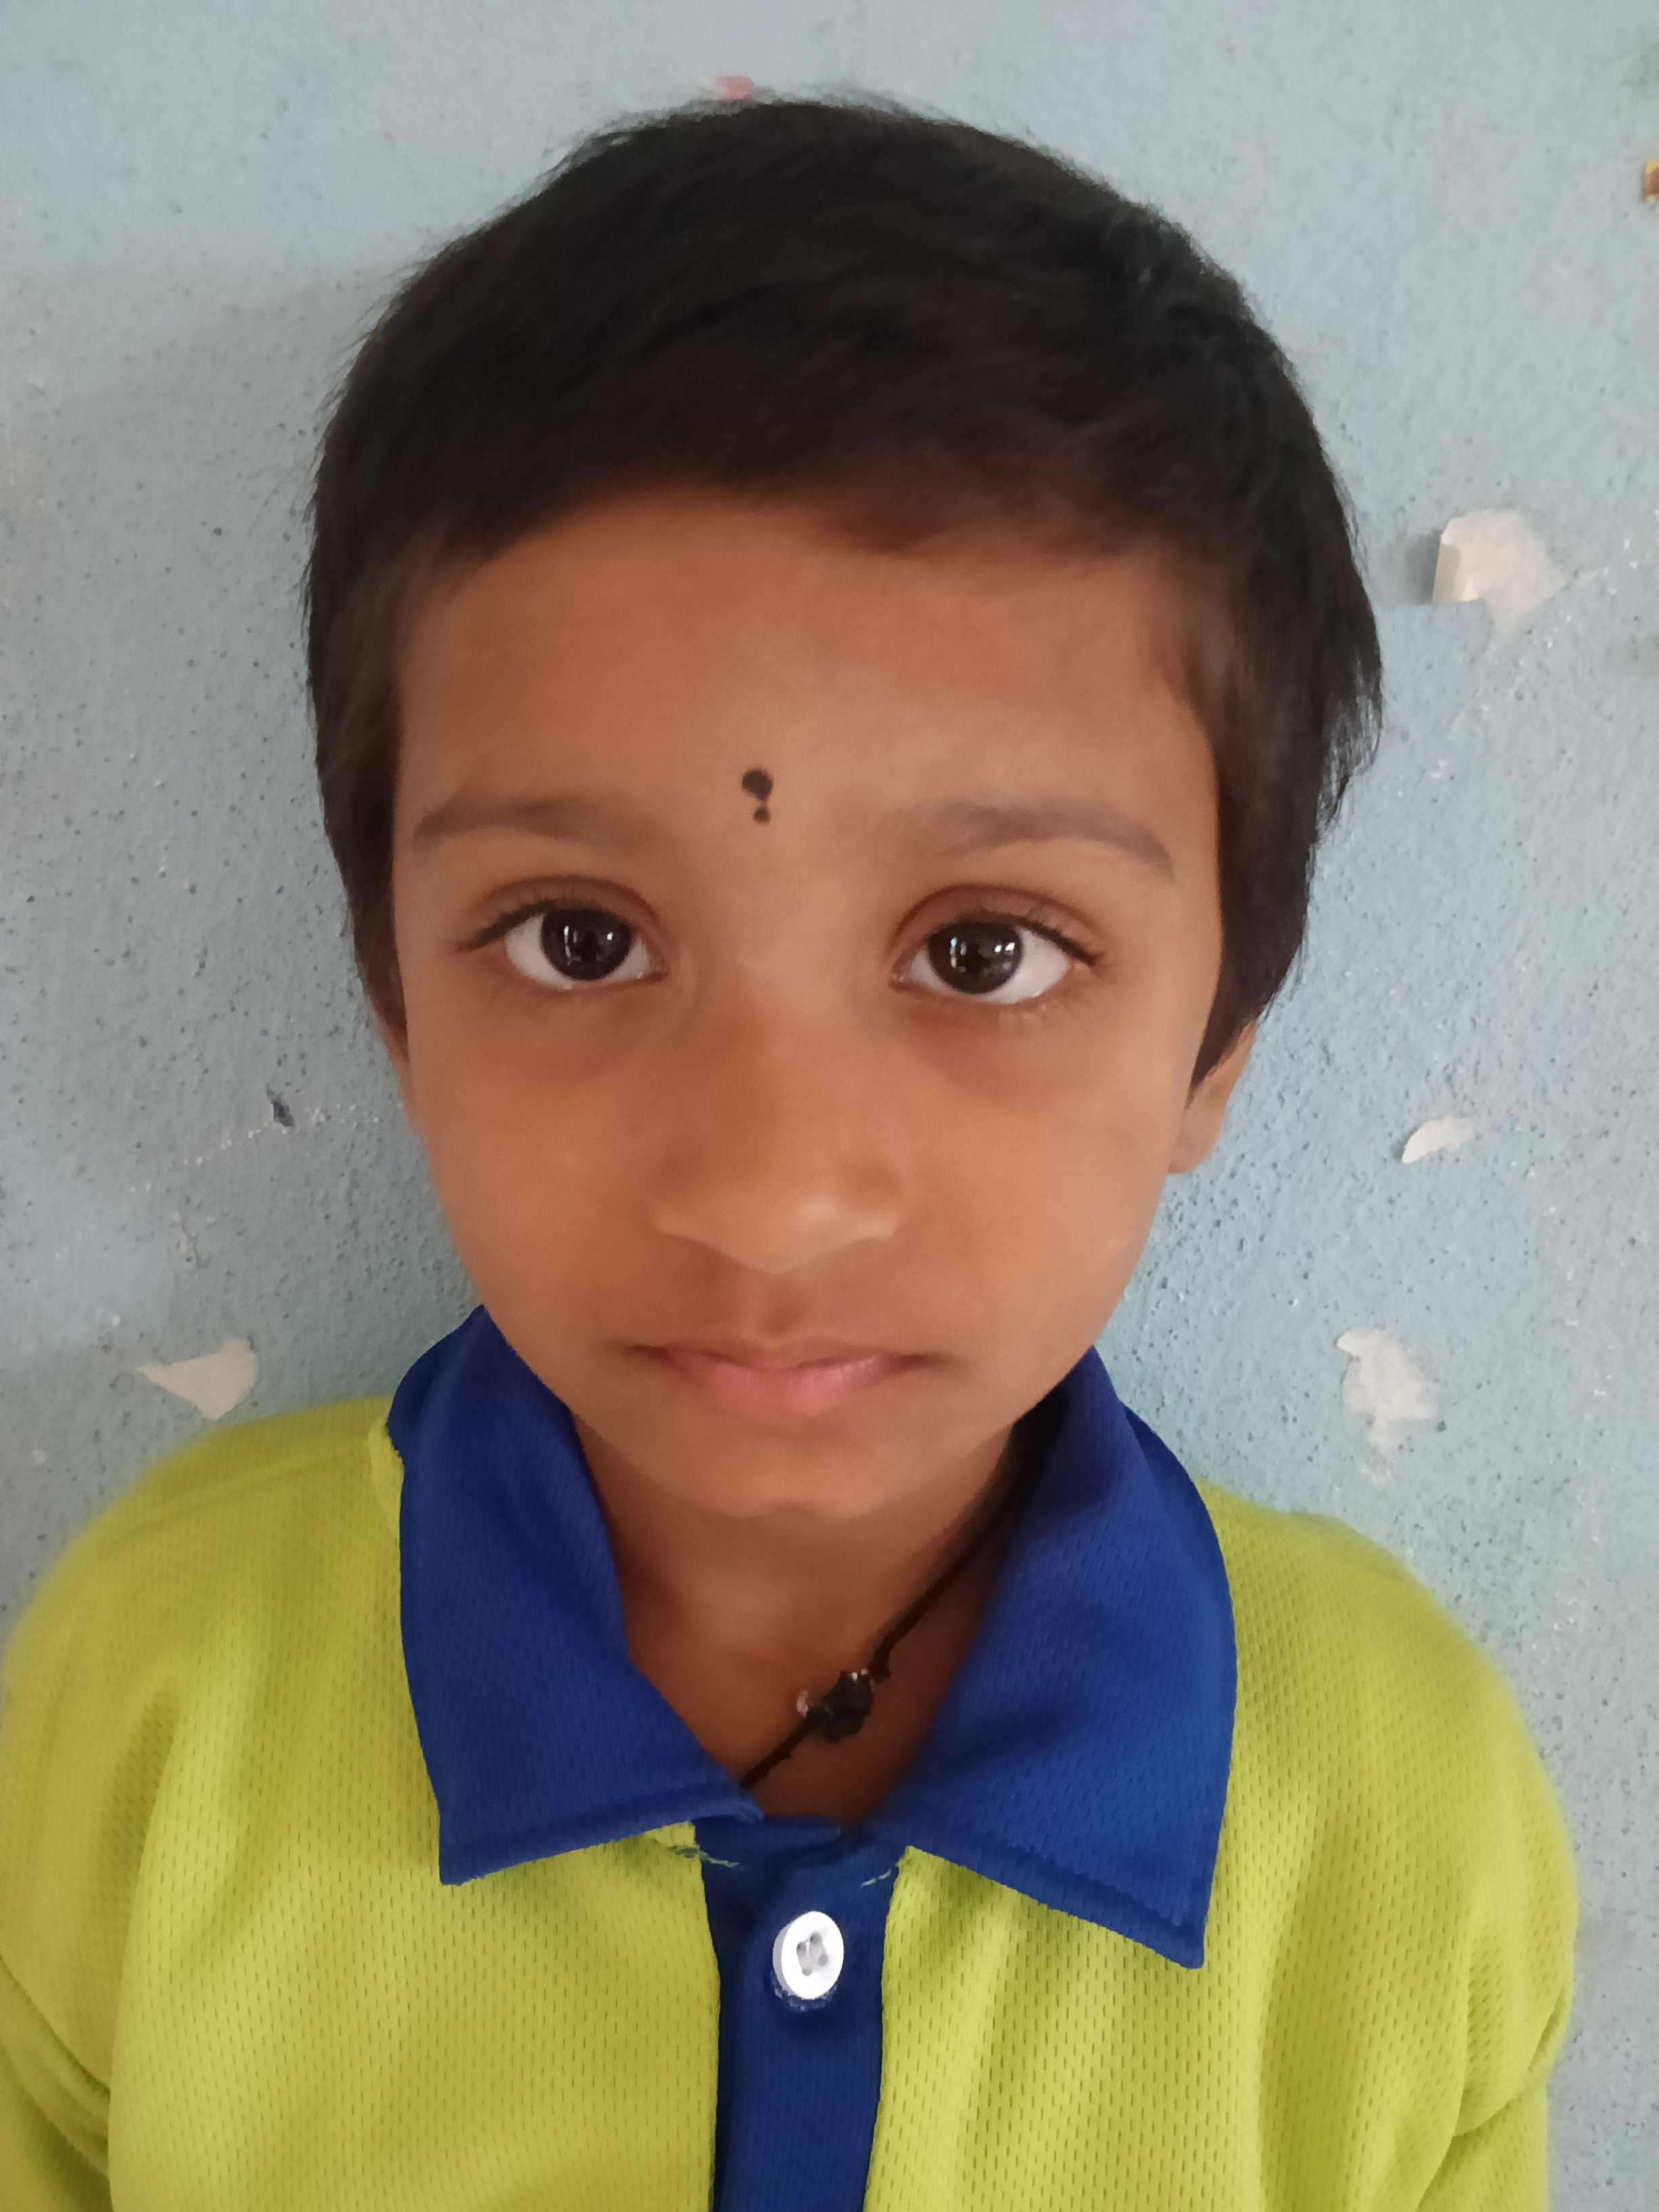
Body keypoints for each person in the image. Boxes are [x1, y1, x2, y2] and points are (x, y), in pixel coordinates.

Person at [0, 94, 1575, 2210]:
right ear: (392, 998)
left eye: (986, 952)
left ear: (1219, 1040)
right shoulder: (149, 1705)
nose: (769, 1192)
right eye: (578, 939)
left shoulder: (1403, 1817)